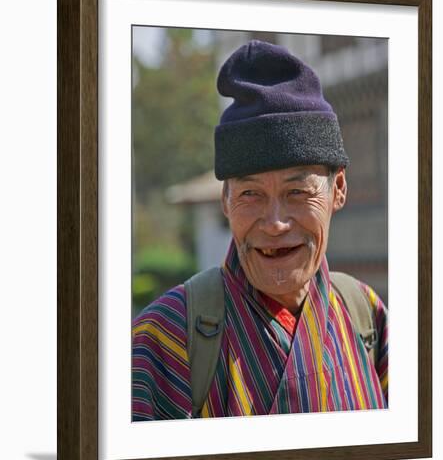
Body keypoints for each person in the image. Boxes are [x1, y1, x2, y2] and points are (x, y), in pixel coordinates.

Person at [132, 40, 388, 420]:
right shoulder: (165, 337)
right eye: (250, 194)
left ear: (338, 190)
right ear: (225, 201)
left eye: (297, 192)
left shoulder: (364, 314)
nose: (275, 223)